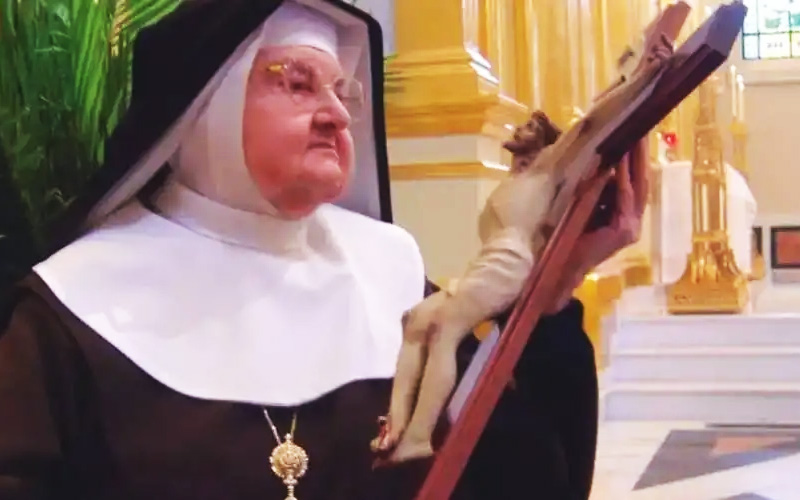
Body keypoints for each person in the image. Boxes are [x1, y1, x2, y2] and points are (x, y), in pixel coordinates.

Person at [0, 1, 650, 499]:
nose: (337, 114)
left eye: (344, 91)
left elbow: (525, 481)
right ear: (205, 108)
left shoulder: (388, 274)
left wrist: (552, 292)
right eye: (297, 83)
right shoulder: (71, 313)